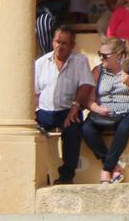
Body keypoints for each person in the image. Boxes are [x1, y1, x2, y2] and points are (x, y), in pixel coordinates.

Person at [81, 37, 129, 183]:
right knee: (86, 128)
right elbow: (89, 100)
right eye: (99, 54)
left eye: (105, 56)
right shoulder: (98, 71)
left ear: (118, 55)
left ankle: (106, 170)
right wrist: (97, 109)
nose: (101, 58)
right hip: (105, 111)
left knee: (124, 127)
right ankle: (114, 166)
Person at [34, 25, 94, 184]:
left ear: (72, 45)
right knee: (30, 133)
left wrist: (75, 107)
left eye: (64, 43)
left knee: (73, 130)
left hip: (69, 109)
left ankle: (66, 177)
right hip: (44, 111)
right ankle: (39, 174)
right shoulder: (40, 63)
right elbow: (34, 92)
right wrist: (34, 114)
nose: (59, 46)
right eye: (56, 42)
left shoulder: (80, 60)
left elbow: (86, 85)